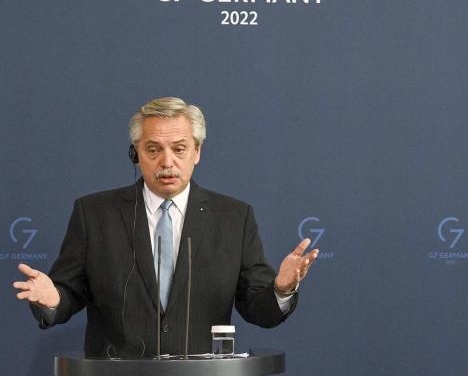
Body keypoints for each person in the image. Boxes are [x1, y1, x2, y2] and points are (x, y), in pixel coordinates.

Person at [13, 97, 318, 357]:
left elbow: (259, 310)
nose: (167, 162)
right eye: (153, 149)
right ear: (136, 153)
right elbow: (68, 291)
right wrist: (53, 299)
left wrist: (281, 290)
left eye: (179, 149)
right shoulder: (94, 214)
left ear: (197, 152)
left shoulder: (234, 218)